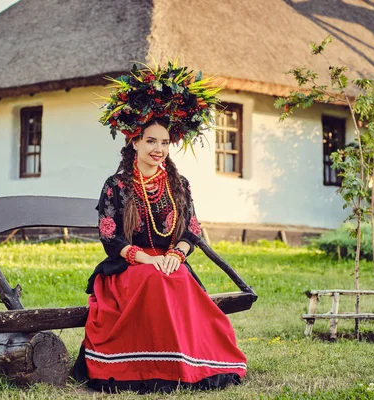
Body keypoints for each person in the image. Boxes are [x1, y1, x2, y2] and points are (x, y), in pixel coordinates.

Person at [73, 62, 247, 393]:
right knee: (155, 279)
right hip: (128, 266)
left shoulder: (178, 184)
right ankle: (148, 368)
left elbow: (190, 231)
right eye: (151, 141)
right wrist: (148, 259)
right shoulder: (117, 185)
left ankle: (187, 364)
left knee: (176, 278)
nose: (158, 149)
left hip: (169, 262)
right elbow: (111, 237)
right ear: (134, 142)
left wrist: (176, 256)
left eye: (165, 143)